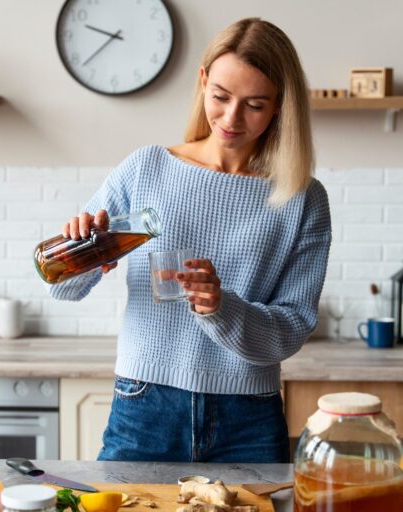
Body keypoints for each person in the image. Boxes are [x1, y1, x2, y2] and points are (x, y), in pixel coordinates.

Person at [49, 18, 331, 463]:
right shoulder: (146, 170)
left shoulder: (302, 198)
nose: (231, 118)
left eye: (255, 104)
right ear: (202, 82)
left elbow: (290, 330)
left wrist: (223, 308)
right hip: (145, 403)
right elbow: (62, 288)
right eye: (220, 97)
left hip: (249, 417)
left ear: (280, 106)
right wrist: (80, 250)